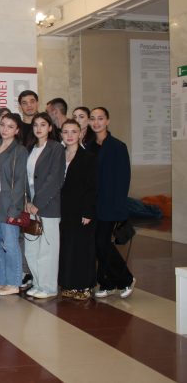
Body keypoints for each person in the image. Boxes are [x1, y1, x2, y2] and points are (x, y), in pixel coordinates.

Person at [87, 107, 135, 299]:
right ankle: (107, 282)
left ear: (107, 121)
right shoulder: (89, 147)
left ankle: (126, 279)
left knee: (102, 242)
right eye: (93, 119)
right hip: (93, 205)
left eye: (100, 118)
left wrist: (119, 207)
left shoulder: (117, 146)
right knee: (97, 245)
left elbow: (124, 179)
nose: (96, 122)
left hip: (110, 204)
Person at [24, 112, 64, 299]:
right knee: (32, 248)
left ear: (50, 127)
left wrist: (37, 204)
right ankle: (38, 283)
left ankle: (48, 287)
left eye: (43, 124)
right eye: (35, 125)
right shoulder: (30, 148)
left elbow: (54, 179)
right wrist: (27, 201)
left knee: (47, 249)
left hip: (47, 206)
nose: (38, 128)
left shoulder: (56, 148)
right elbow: (25, 178)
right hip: (30, 205)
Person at [0, 113, 28, 296]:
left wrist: (14, 209)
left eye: (10, 126)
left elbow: (20, 182)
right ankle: (2, 280)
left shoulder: (20, 151)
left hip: (9, 203)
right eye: (3, 125)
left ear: (17, 130)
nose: (5, 129)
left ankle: (14, 282)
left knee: (10, 244)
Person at [59, 119, 97, 301]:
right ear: (61, 134)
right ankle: (68, 284)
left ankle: (84, 285)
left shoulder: (88, 157)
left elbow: (92, 187)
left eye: (73, 132)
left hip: (81, 210)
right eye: (66, 132)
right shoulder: (59, 155)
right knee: (67, 246)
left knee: (82, 248)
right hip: (63, 209)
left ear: (81, 134)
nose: (70, 135)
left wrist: (88, 211)